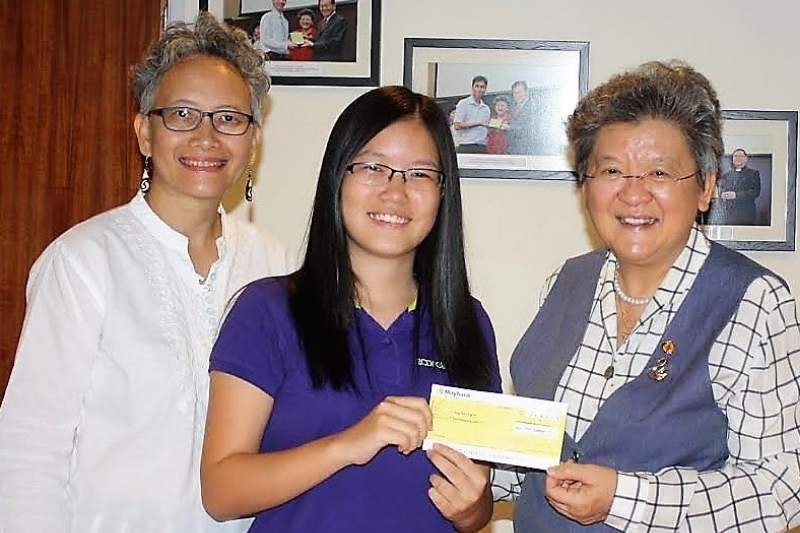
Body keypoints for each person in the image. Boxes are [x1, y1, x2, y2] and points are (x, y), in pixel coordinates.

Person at [0, 12, 288, 532]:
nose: (206, 136)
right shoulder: (83, 262)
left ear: (252, 142)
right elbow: (28, 452)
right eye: (181, 114)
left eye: (228, 118)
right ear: (144, 134)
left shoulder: (275, 266)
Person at [509, 61, 800, 531]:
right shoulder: (564, 283)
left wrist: (628, 498)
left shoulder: (755, 302)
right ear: (586, 185)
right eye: (611, 171)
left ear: (706, 187)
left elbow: (782, 488)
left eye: (659, 172)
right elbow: (540, 450)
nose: (633, 194)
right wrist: (477, 466)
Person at [200, 85, 501, 533]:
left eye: (419, 174)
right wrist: (348, 444)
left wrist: (474, 509)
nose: (395, 193)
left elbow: (475, 503)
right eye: (374, 168)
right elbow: (221, 492)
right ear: (337, 177)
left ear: (443, 193)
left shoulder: (467, 321)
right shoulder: (267, 310)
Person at [709, 148, 762, 225]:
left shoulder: (753, 173)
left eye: (740, 156)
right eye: (735, 156)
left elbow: (755, 192)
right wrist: (722, 195)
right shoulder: (726, 175)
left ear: (746, 159)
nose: (738, 158)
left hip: (745, 214)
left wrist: (736, 195)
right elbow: (721, 191)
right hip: (728, 215)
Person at [453, 75, 491, 154]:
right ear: (472, 87)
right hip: (466, 146)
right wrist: (478, 123)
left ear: (485, 89)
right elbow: (457, 125)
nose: (479, 89)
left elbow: (486, 128)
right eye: (477, 86)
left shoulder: (486, 108)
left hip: (482, 146)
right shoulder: (463, 103)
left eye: (482, 87)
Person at [506, 80, 535, 155]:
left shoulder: (533, 108)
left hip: (526, 150)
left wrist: (509, 127)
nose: (517, 95)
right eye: (515, 93)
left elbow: (529, 128)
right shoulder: (513, 108)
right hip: (512, 149)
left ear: (526, 92)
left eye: (520, 92)